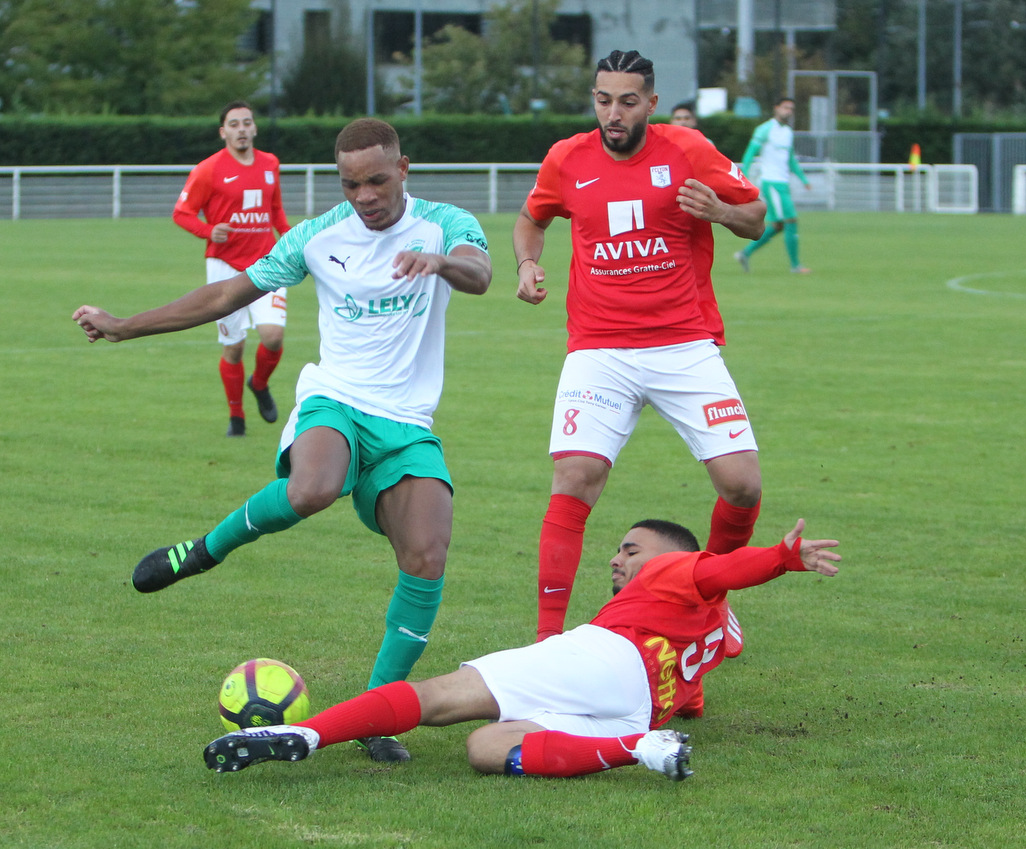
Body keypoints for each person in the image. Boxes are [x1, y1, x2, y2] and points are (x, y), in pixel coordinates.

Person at [73, 118, 492, 763]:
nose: (365, 196)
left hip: (408, 422)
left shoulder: (446, 222)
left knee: (427, 556)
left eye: (377, 180)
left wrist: (440, 263)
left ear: (403, 169)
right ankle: (204, 550)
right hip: (337, 399)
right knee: (313, 487)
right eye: (351, 183)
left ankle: (375, 712)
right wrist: (126, 326)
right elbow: (227, 292)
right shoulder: (318, 237)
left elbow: (480, 272)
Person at [202, 517, 841, 780]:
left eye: (629, 548)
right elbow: (702, 678)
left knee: (440, 698)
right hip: (639, 712)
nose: (616, 559)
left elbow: (723, 570)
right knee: (487, 749)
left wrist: (781, 559)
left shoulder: (671, 572)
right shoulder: (715, 628)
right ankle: (638, 752)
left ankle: (306, 737)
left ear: (673, 556)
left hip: (607, 659)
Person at [511, 51, 768, 701]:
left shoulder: (688, 149)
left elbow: (757, 217)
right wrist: (526, 263)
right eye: (602, 99)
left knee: (741, 484)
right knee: (575, 474)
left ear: (651, 104)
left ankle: (713, 606)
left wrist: (719, 210)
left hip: (684, 343)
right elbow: (532, 218)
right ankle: (546, 643)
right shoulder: (567, 158)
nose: (613, 113)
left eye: (627, 101)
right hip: (599, 347)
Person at [173, 100, 292, 437]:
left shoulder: (270, 163)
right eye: (234, 124)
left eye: (247, 123)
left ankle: (260, 383)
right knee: (235, 346)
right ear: (223, 131)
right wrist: (209, 231)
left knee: (273, 336)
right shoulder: (208, 169)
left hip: (267, 263)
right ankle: (236, 418)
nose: (242, 129)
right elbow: (181, 213)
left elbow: (276, 211)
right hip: (225, 268)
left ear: (254, 128)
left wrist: (291, 241)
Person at [734, 97, 813, 274]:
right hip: (771, 183)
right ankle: (795, 266)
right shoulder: (765, 129)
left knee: (778, 225)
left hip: (783, 183)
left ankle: (745, 254)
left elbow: (790, 159)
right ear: (776, 108)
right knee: (791, 219)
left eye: (791, 109)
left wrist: (803, 179)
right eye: (785, 107)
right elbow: (750, 153)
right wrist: (743, 177)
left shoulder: (788, 132)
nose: (788, 111)